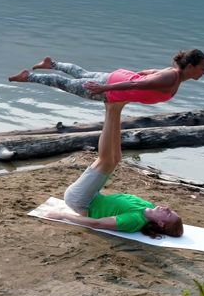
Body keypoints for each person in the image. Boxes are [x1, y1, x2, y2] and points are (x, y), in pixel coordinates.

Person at [46, 101, 184, 238]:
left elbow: (97, 224)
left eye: (169, 214)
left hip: (81, 201)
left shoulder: (134, 220)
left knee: (105, 160)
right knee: (116, 158)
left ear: (160, 223)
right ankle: (115, 111)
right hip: (93, 196)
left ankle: (111, 110)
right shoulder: (147, 206)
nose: (167, 208)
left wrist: (62, 215)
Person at [8, 49, 204, 105]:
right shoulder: (170, 79)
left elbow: (146, 73)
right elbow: (140, 82)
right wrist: (104, 90)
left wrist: (130, 79)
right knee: (65, 83)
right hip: (110, 89)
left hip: (114, 78)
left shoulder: (170, 73)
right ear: (190, 66)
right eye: (202, 68)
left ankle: (51, 64)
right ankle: (28, 77)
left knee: (82, 73)